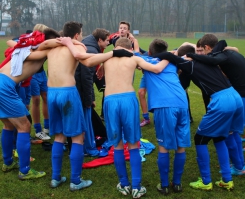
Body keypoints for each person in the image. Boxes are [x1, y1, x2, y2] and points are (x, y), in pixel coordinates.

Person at [41, 21, 134, 191]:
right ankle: (75, 181)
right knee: (78, 136)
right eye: (81, 34)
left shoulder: (51, 47)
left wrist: (58, 41)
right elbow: (86, 61)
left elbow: (39, 47)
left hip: (51, 92)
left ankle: (56, 178)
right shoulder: (79, 46)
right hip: (67, 92)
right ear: (77, 34)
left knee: (59, 137)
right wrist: (112, 53)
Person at [83, 37, 168, 198]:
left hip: (110, 101)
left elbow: (89, 62)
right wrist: (169, 57)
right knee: (133, 145)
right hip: (128, 100)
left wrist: (103, 64)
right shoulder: (134, 57)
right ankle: (136, 186)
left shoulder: (107, 57)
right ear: (129, 48)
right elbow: (156, 69)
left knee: (118, 145)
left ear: (116, 47)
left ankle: (124, 184)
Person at [155, 45, 245, 191]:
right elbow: (183, 83)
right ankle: (227, 179)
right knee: (219, 137)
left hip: (221, 101)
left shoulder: (188, 63)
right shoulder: (207, 59)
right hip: (235, 96)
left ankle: (206, 181)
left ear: (184, 57)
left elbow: (169, 56)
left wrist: (162, 56)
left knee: (200, 139)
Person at [186, 34, 245, 176]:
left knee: (229, 134)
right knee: (234, 132)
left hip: (242, 96)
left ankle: (238, 167)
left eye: (203, 51)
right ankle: (240, 164)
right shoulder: (231, 53)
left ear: (207, 47)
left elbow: (212, 60)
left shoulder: (222, 55)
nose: (204, 54)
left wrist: (191, 56)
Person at [0, 28, 59, 180]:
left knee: (8, 125)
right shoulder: (39, 52)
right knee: (24, 126)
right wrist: (67, 40)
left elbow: (13, 42)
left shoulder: (26, 49)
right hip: (5, 86)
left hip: (2, 81)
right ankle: (25, 171)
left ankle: (8, 162)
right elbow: (50, 42)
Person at [136, 39, 190, 195]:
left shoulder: (146, 60)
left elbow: (132, 55)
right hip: (182, 103)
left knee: (164, 146)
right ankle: (177, 184)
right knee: (180, 145)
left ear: (151, 52)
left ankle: (165, 185)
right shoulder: (173, 61)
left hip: (164, 105)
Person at [74, 28, 110, 156]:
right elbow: (86, 77)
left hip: (74, 90)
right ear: (99, 40)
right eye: (106, 41)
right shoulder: (92, 50)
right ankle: (88, 147)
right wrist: (89, 99)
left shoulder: (88, 45)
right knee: (85, 121)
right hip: (79, 91)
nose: (108, 43)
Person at [30, 24, 51, 140]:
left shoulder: (45, 44)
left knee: (46, 98)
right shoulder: (32, 44)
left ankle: (47, 127)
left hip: (42, 74)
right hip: (32, 74)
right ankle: (38, 129)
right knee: (36, 100)